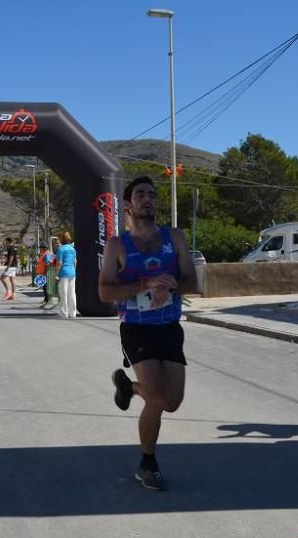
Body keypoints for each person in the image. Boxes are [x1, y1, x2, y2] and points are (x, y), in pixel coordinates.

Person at [98, 176, 199, 490]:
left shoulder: (175, 238)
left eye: (153, 195)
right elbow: (104, 292)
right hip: (137, 329)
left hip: (169, 326)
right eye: (141, 194)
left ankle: (129, 387)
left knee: (172, 402)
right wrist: (144, 284)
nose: (148, 199)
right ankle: (147, 463)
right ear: (128, 205)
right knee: (156, 396)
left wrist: (170, 283)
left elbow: (192, 284)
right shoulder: (118, 245)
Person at [55, 231, 77, 318]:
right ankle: (73, 313)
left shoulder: (61, 249)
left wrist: (56, 274)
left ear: (62, 239)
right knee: (72, 293)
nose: (58, 240)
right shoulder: (72, 249)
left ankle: (64, 313)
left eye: (59, 238)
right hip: (72, 272)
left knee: (63, 293)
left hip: (63, 273)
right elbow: (75, 261)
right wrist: (74, 270)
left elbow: (59, 263)